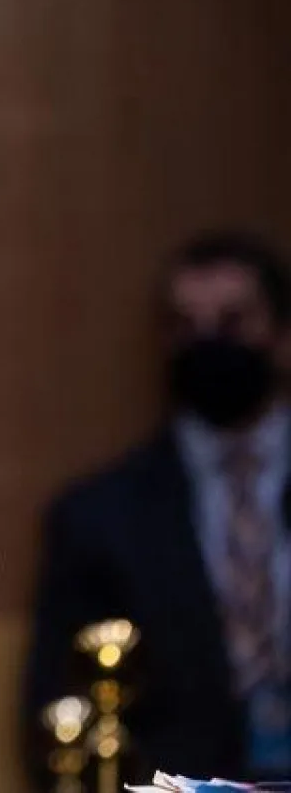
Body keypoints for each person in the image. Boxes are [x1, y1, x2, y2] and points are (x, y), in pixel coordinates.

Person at [25, 231, 291, 784]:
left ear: (282, 335)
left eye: (233, 321)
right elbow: (58, 719)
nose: (208, 342)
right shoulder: (98, 518)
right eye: (185, 325)